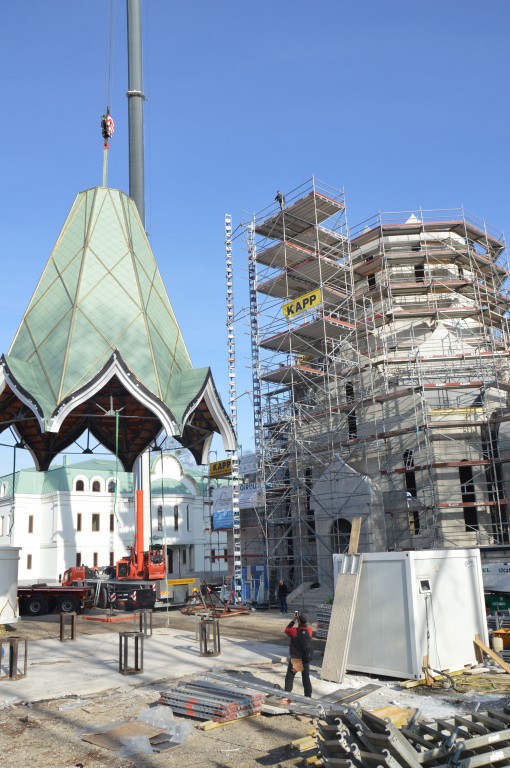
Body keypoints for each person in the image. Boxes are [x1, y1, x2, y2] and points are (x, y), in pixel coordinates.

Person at [284, 612, 313, 697]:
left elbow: (286, 630)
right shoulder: (309, 631)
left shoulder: (294, 631)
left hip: (296, 659)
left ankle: (287, 696)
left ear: (298, 621)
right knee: (306, 679)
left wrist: (293, 620)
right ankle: (308, 697)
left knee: (290, 677)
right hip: (305, 658)